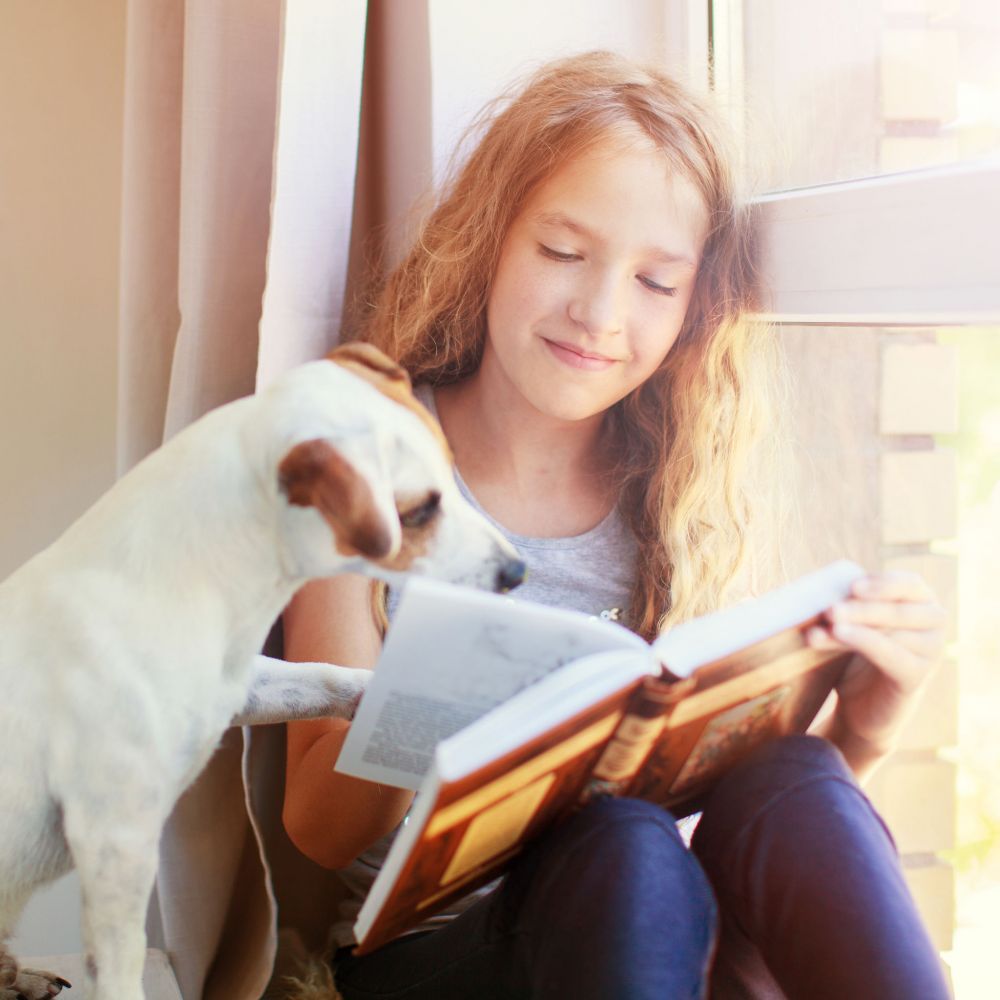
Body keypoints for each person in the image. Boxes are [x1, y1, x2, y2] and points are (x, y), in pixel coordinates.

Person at [281, 51, 951, 999]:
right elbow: (314, 826)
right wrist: (438, 700)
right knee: (622, 841)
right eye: (562, 253)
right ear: (491, 239)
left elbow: (721, 821)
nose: (599, 313)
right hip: (439, 955)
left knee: (791, 778)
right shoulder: (370, 459)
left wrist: (865, 734)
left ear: (694, 308)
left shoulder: (682, 499)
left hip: (650, 944)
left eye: (656, 283)